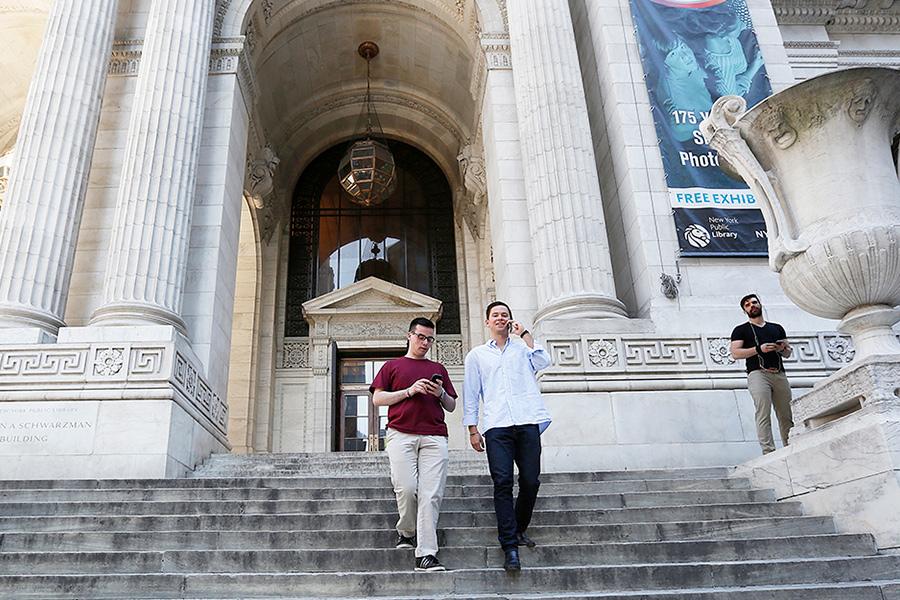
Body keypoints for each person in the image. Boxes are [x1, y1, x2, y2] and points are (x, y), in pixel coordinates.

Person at [463, 301, 552, 572]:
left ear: (510, 320)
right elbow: (471, 394)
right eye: (495, 315)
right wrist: (472, 428)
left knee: (530, 481)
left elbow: (544, 361)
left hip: (527, 421)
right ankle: (510, 547)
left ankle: (519, 527)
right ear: (487, 322)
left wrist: (525, 335)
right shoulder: (477, 356)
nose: (500, 318)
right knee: (502, 482)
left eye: (505, 315)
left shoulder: (523, 350)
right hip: (497, 426)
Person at [370, 317, 458, 572]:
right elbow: (378, 399)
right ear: (409, 336)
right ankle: (406, 530)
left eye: (430, 338)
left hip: (434, 436)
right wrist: (409, 391)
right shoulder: (392, 366)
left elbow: (451, 405)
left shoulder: (439, 368)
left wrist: (439, 393)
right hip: (401, 434)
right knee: (407, 488)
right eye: (421, 337)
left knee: (431, 495)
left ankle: (426, 554)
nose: (426, 342)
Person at [730, 294, 794, 454]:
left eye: (754, 302)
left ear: (760, 304)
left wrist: (782, 349)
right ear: (744, 310)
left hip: (779, 373)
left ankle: (791, 446)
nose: (751, 305)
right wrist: (759, 349)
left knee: (786, 412)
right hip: (758, 374)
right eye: (747, 304)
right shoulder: (741, 330)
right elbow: (735, 353)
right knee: (763, 411)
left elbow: (788, 354)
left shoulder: (776, 328)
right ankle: (768, 451)